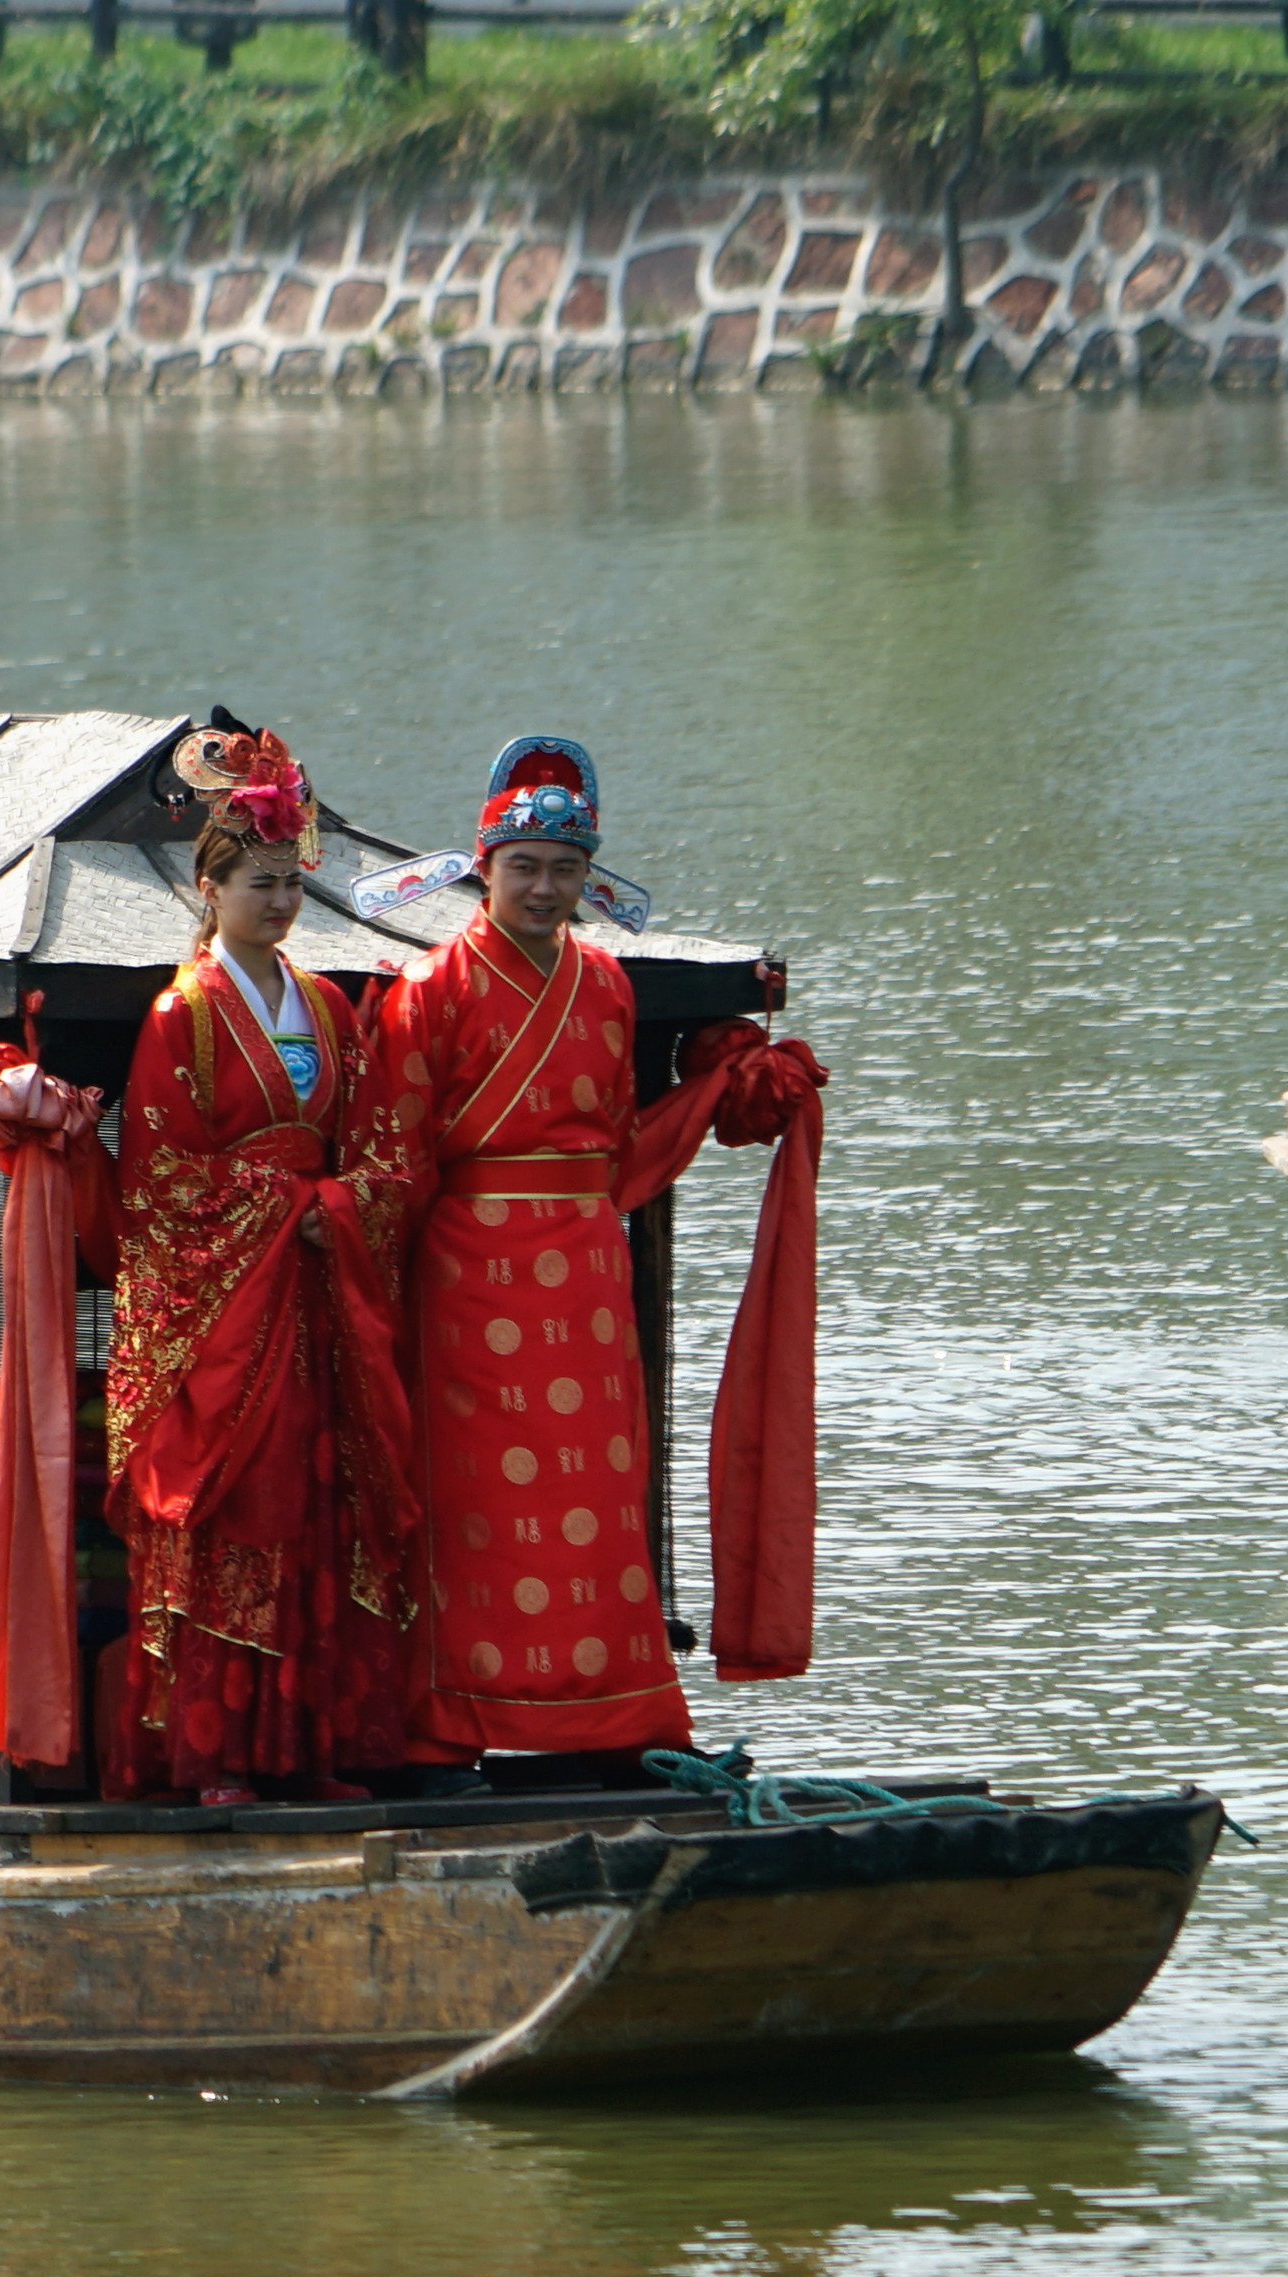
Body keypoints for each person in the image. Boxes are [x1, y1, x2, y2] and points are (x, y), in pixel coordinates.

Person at [374, 733, 820, 1757]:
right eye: (523, 868)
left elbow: (619, 1146)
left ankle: (614, 1715)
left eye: (564, 870)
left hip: (581, 1269)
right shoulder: (428, 993)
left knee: (597, 1498)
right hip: (465, 1278)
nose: (543, 888)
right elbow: (392, 1161)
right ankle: (453, 1723)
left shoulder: (608, 991)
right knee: (475, 1501)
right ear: (483, 868)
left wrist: (724, 1087)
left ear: (589, 876)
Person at [99, 721, 425, 1801]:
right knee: (241, 1510)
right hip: (233, 1311)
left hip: (313, 1295)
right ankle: (220, 1755)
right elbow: (159, 1181)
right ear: (212, 889)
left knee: (321, 1503)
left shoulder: (328, 1007)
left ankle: (308, 1749)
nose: (280, 905)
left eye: (291, 885)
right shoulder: (180, 1015)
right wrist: (294, 1205)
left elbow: (377, 1147)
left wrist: (348, 1204)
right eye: (259, 886)